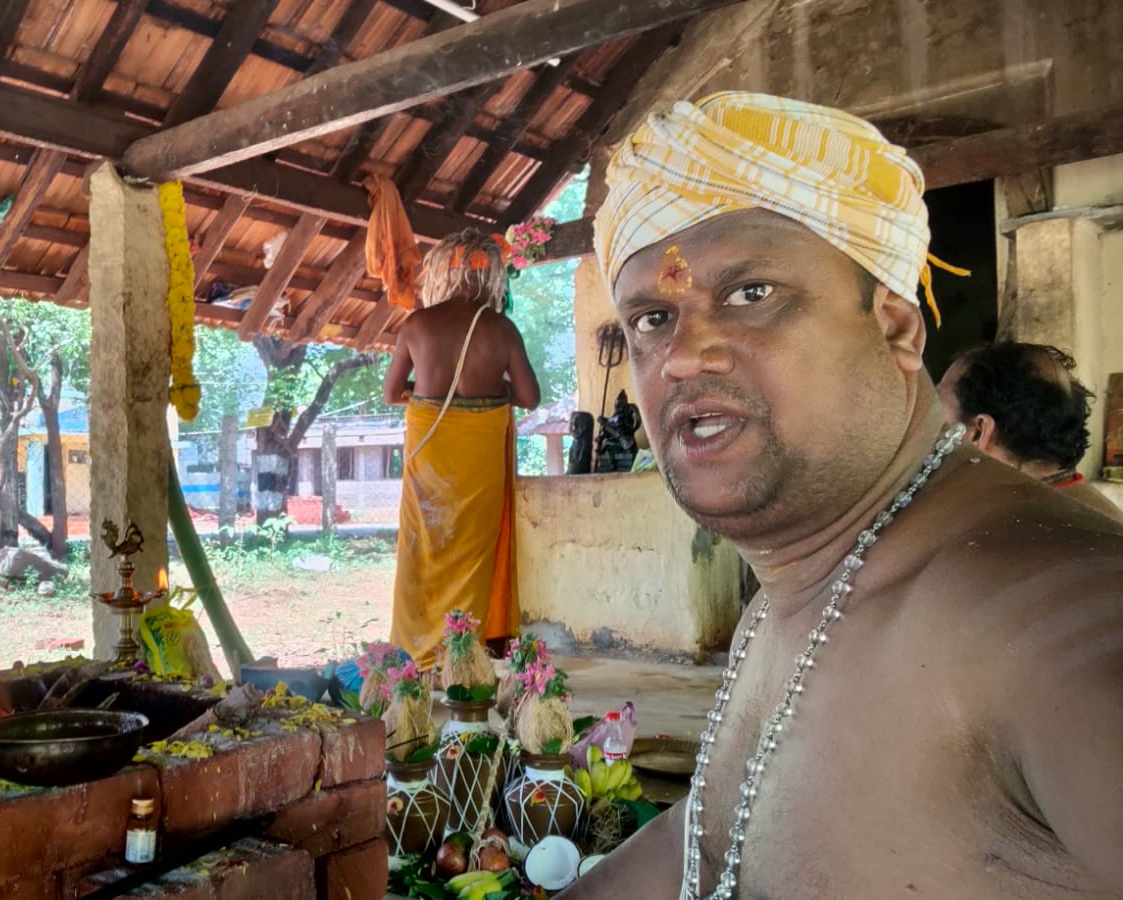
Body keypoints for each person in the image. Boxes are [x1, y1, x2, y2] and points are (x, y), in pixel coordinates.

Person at [564, 91, 1123, 899]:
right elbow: (713, 842)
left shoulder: (1046, 615)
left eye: (751, 294)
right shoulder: (795, 591)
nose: (682, 356)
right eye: (652, 318)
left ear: (895, 326)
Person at [382, 229, 540, 666]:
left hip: (429, 455)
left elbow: (391, 394)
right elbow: (529, 398)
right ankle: (464, 655)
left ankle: (418, 653)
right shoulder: (502, 329)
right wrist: (493, 392)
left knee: (423, 549)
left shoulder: (416, 325)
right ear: (490, 275)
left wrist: (429, 395)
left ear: (442, 273)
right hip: (479, 460)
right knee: (474, 552)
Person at [938, 342, 1120, 519]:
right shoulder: (1078, 509)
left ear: (979, 432)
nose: (929, 417)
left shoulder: (1004, 527)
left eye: (936, 406)